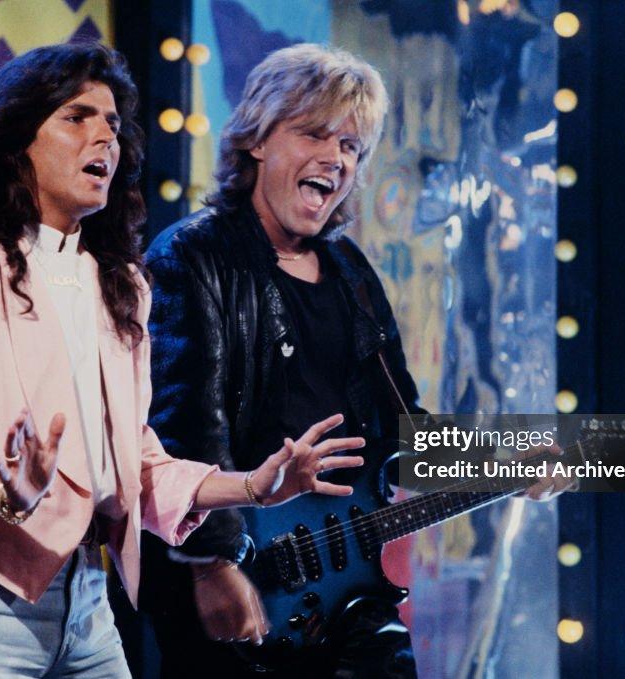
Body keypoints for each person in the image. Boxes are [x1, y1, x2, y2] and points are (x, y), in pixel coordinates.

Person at [0, 43, 366, 678]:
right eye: (77, 117)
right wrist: (5, 492)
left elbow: (139, 462)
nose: (106, 136)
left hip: (90, 597)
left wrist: (254, 487)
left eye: (112, 122)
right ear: (15, 139)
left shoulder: (121, 282)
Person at [137, 43, 569, 678]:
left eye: (351, 146)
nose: (335, 159)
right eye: (315, 134)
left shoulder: (350, 272)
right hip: (237, 576)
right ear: (256, 139)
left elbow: (403, 428)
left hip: (349, 588)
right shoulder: (192, 256)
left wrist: (502, 464)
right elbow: (185, 426)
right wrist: (212, 563)